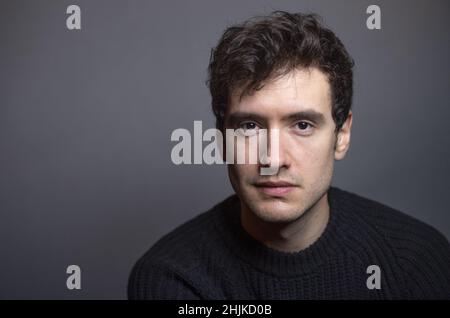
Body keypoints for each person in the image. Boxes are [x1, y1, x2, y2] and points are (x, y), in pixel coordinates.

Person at [128, 11, 450, 299]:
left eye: (303, 125)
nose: (273, 159)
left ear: (342, 135)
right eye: (250, 125)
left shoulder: (417, 262)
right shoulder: (172, 278)